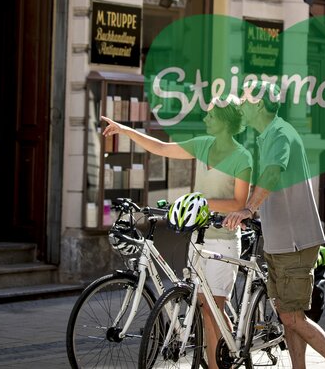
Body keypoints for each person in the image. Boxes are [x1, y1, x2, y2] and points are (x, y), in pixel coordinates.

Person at [102, 95, 252, 369]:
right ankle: (223, 357)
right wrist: (125, 130)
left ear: (225, 121)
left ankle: (223, 360)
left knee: (212, 308)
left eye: (211, 115)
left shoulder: (242, 157)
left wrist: (201, 201)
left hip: (224, 241)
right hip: (197, 239)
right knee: (206, 308)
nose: (205, 118)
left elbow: (238, 203)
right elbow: (161, 147)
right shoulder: (203, 145)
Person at [222, 80, 325, 369]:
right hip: (279, 241)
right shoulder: (266, 135)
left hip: (294, 243)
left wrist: (248, 208)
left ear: (258, 104)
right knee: (289, 317)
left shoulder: (280, 134)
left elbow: (272, 173)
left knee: (293, 317)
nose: (241, 105)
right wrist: (251, 213)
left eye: (245, 100)